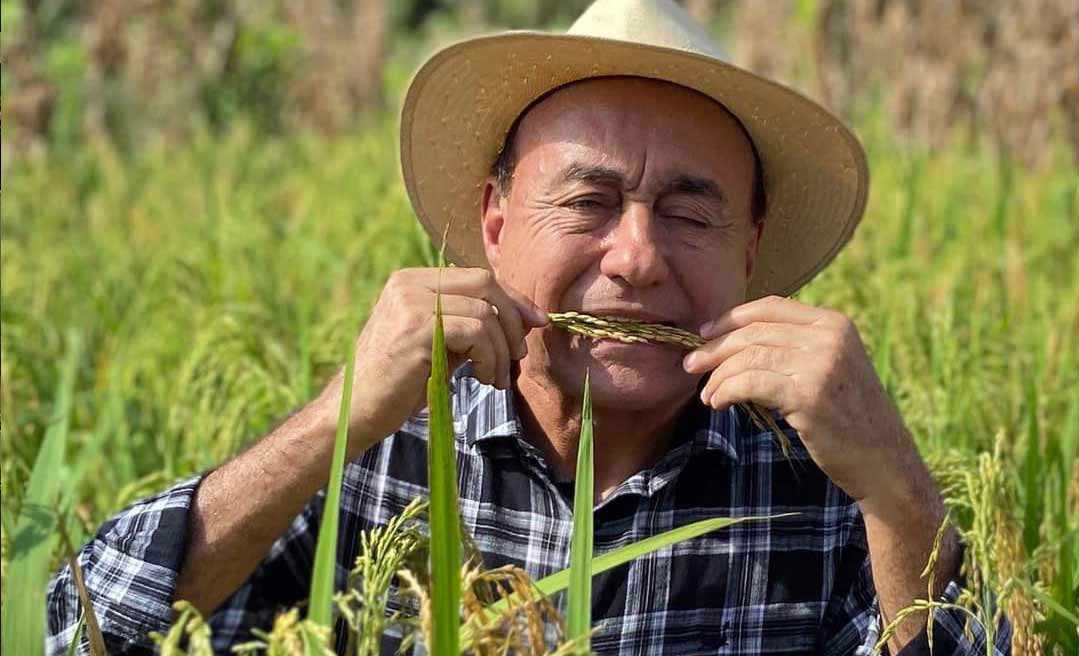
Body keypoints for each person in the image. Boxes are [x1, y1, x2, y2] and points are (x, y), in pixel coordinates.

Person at [47, 0, 1011, 654]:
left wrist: (899, 492)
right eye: (587, 202)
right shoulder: (380, 455)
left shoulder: (822, 484)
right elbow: (75, 631)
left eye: (689, 211)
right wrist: (334, 419)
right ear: (495, 227)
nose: (635, 258)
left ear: (749, 251)